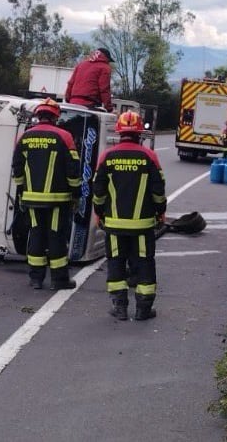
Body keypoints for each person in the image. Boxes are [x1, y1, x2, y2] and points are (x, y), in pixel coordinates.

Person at [92, 111, 166, 321]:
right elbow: (158, 191)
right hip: (142, 225)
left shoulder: (107, 156)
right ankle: (143, 309)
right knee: (144, 263)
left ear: (119, 132)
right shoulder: (149, 156)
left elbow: (98, 191)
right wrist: (160, 212)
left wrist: (99, 213)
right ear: (139, 133)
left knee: (116, 262)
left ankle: (120, 307)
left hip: (114, 224)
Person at [12, 98, 81, 290]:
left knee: (36, 234)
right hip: (58, 200)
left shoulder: (25, 137)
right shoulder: (65, 136)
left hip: (31, 198)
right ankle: (59, 280)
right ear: (56, 117)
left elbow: (17, 168)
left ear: (38, 115)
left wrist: (22, 191)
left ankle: (36, 279)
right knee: (56, 236)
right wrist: (75, 194)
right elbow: (73, 170)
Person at [65, 48, 114, 112]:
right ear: (106, 58)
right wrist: (109, 107)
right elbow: (104, 89)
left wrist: (68, 99)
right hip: (90, 105)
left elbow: (70, 83)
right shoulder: (105, 67)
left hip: (73, 103)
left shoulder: (81, 65)